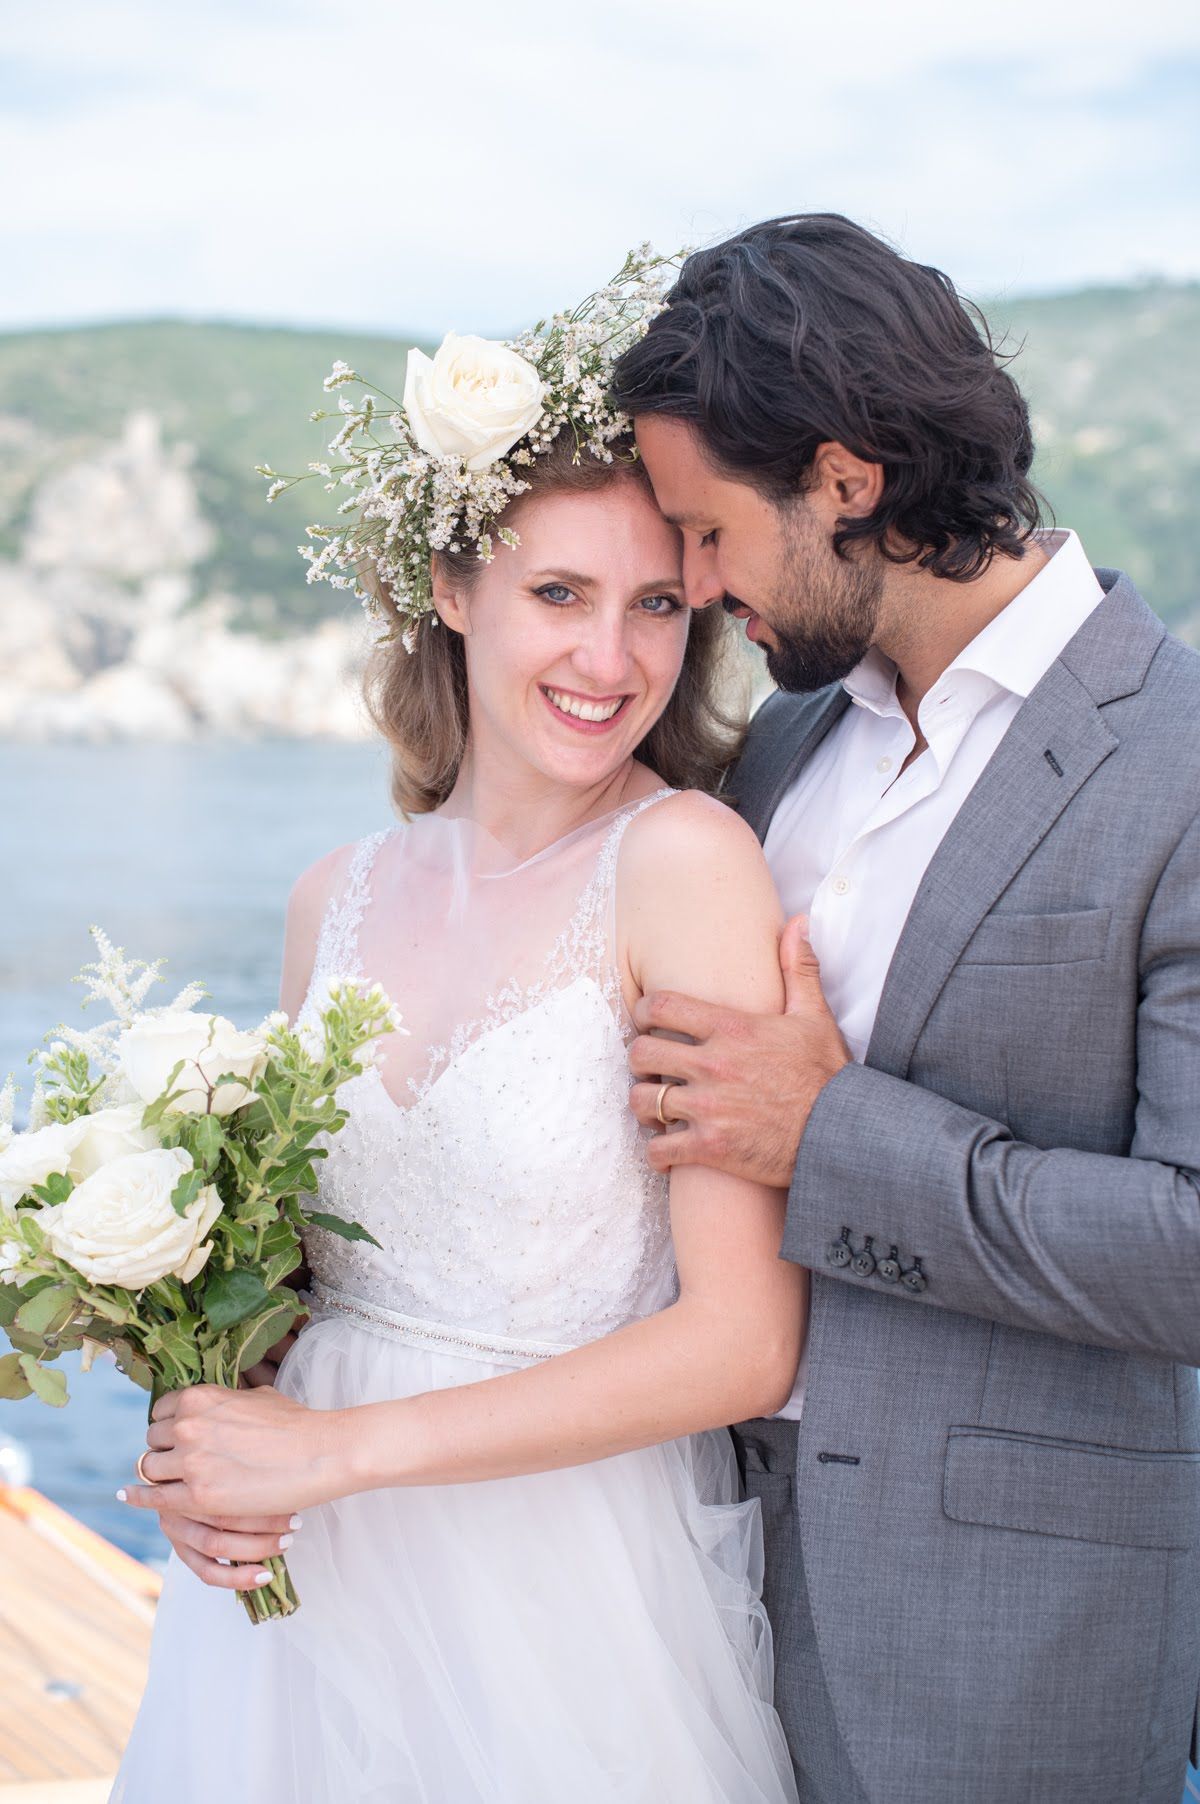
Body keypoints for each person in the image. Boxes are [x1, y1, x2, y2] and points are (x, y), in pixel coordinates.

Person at [110, 269, 805, 1803]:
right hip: (299, 1606)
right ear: (451, 586)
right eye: (559, 594)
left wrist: (340, 1455)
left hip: (563, 1598)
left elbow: (745, 1343)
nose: (611, 663)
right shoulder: (331, 898)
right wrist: (201, 1437)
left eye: (658, 608)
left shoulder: (682, 865)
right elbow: (286, 1286)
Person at [611, 212, 1200, 1804]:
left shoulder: (1183, 763)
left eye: (712, 531)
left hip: (1010, 1640)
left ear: (849, 478)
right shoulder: (786, 748)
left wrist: (834, 1133)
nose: (694, 581)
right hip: (693, 1588)